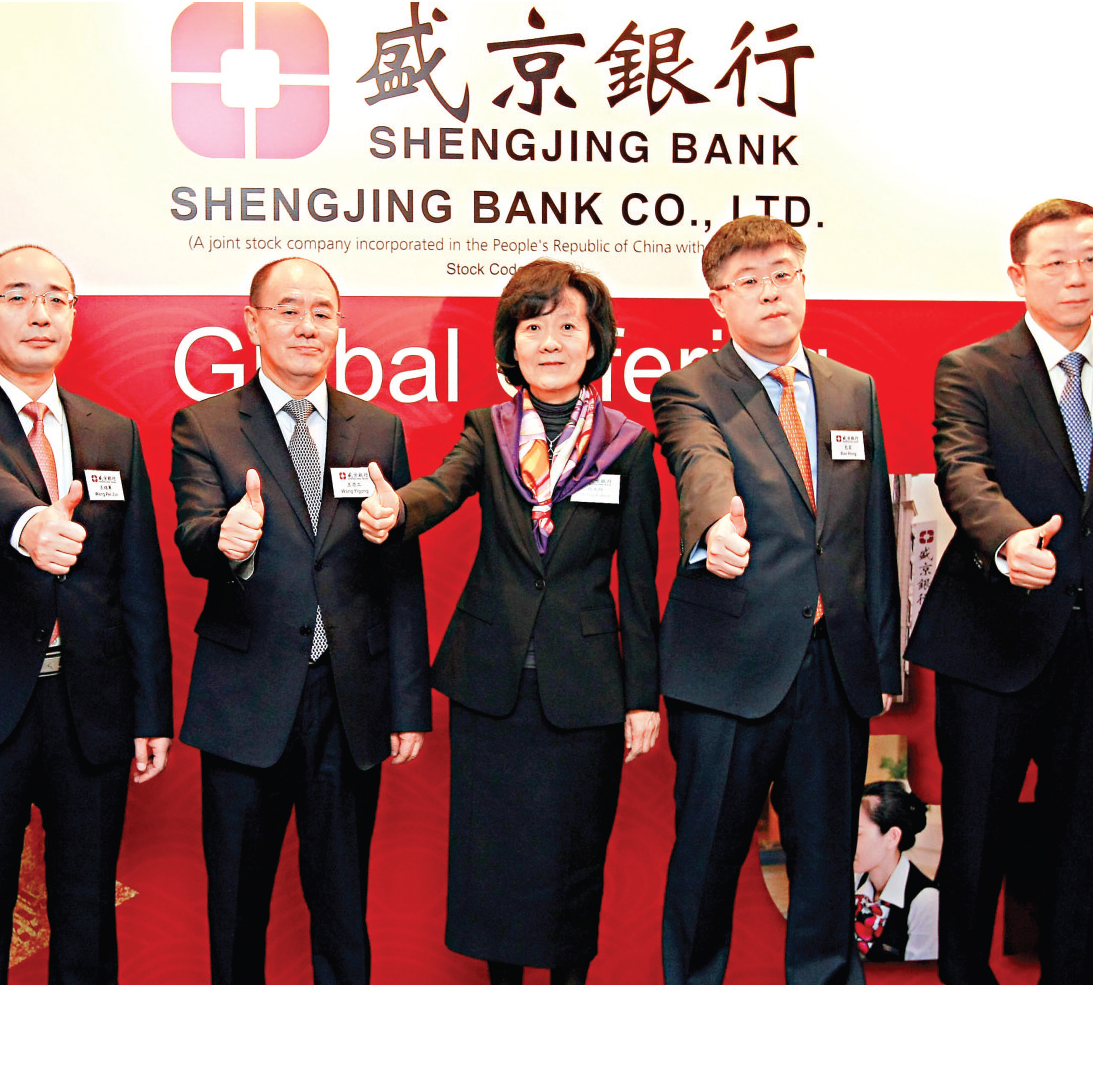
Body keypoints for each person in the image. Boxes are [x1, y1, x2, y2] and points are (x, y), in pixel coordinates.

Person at [358, 258, 660, 985]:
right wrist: (397, 510)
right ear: (511, 344)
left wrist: (643, 696)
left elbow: (639, 579)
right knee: (494, 861)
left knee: (573, 859)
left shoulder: (628, 443)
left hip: (586, 687)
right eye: (533, 327)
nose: (550, 342)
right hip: (491, 682)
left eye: (568, 326)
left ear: (595, 342)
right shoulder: (488, 431)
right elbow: (440, 488)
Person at [908, 198, 1093, 984]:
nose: (1075, 276)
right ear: (1018, 275)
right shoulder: (972, 369)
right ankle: (967, 991)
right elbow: (963, 474)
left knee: (1079, 842)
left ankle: (1071, 1002)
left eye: (1090, 259)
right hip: (993, 642)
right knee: (976, 836)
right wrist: (1007, 540)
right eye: (1055, 262)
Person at [0, 245, 176, 984]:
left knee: (87, 914)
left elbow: (137, 579)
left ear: (74, 316)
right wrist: (30, 524)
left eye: (56, 298)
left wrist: (150, 711)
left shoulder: (112, 431)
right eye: (17, 296)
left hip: (91, 706)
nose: (39, 313)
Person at [650, 216, 899, 985]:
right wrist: (713, 526)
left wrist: (881, 660)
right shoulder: (691, 387)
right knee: (707, 861)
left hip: (833, 669)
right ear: (719, 300)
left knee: (826, 866)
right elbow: (700, 463)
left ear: (803, 281)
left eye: (783, 274)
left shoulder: (853, 388)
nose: (770, 293)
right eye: (749, 281)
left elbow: (872, 533)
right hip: (729, 666)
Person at [168, 257, 427, 984]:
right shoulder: (206, 423)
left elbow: (398, 572)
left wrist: (406, 703)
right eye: (287, 310)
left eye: (321, 311)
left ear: (340, 325)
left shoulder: (378, 427)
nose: (306, 325)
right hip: (245, 699)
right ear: (253, 323)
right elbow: (193, 532)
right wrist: (226, 539)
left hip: (348, 701)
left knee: (344, 911)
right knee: (237, 908)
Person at [851, 780, 940, 963]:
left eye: (858, 834)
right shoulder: (854, 881)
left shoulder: (924, 901)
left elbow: (919, 977)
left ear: (892, 837)